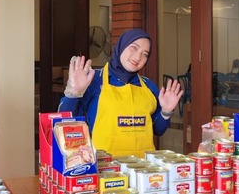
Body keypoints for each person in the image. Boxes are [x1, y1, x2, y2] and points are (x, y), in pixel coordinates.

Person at [58, 29, 183, 158]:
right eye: (134, 48)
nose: (138, 57)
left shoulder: (148, 86)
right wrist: (74, 93)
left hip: (142, 169)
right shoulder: (94, 80)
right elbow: (64, 121)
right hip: (104, 168)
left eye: (145, 54)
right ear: (121, 46)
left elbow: (158, 130)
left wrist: (166, 112)